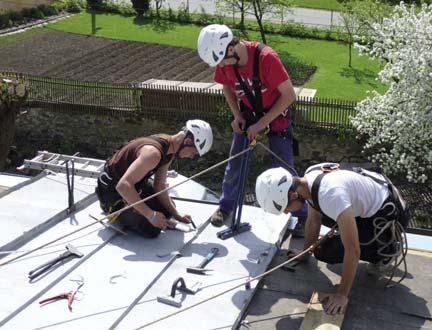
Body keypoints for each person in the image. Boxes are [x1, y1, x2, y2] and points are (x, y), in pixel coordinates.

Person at [255, 163, 408, 315]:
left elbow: (353, 250)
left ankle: (386, 250)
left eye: (286, 209)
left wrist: (341, 295)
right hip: (369, 200)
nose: (287, 213)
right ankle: (368, 238)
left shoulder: (331, 195)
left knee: (335, 251)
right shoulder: (308, 179)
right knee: (322, 251)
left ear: (293, 195)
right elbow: (313, 220)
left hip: (389, 214)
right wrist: (305, 254)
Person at [197, 24, 306, 228]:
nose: (221, 67)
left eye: (222, 61)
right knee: (235, 163)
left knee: (284, 171)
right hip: (248, 114)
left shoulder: (266, 58)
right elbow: (227, 88)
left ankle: (301, 215)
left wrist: (262, 124)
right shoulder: (226, 63)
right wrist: (237, 115)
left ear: (231, 48)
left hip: (276, 115)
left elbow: (289, 95)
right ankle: (225, 207)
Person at [95, 120, 213, 238]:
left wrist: (176, 215)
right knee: (151, 228)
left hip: (135, 185)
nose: (192, 157)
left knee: (167, 210)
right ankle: (112, 208)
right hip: (112, 193)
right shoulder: (153, 154)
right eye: (194, 152)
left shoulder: (169, 150)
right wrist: (150, 215)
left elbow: (159, 185)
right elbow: (123, 186)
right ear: (187, 141)